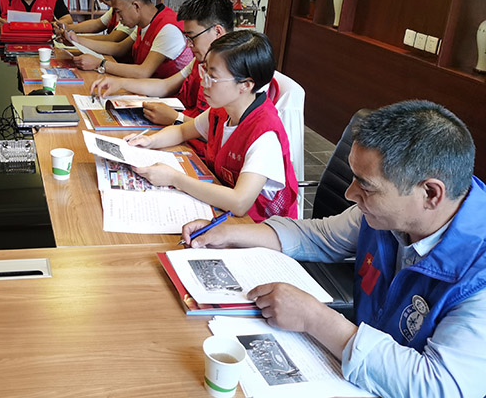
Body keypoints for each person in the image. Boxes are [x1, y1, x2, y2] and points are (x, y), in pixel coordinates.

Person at [181, 100, 486, 398]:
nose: (350, 193)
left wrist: (315, 318)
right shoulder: (389, 216)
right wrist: (233, 233)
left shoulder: (478, 278)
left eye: (366, 186)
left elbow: (440, 386)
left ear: (430, 193)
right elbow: (321, 236)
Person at [127, 30, 298, 220]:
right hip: (221, 210)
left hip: (256, 226)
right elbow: (182, 131)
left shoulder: (265, 135)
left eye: (213, 77)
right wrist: (149, 141)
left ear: (246, 85)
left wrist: (174, 178)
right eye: (204, 71)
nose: (203, 83)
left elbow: (239, 202)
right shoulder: (224, 109)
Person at [90, 0, 234, 129]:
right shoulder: (200, 60)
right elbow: (165, 86)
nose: (189, 45)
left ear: (217, 32)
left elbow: (217, 133)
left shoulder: (235, 73)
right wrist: (121, 83)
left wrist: (176, 118)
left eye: (192, 37)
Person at [67, 0, 193, 79]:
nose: (118, 19)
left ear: (136, 6)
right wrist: (77, 41)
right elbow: (119, 48)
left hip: (169, 98)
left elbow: (143, 72)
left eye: (119, 11)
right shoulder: (144, 23)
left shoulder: (168, 29)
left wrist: (99, 63)